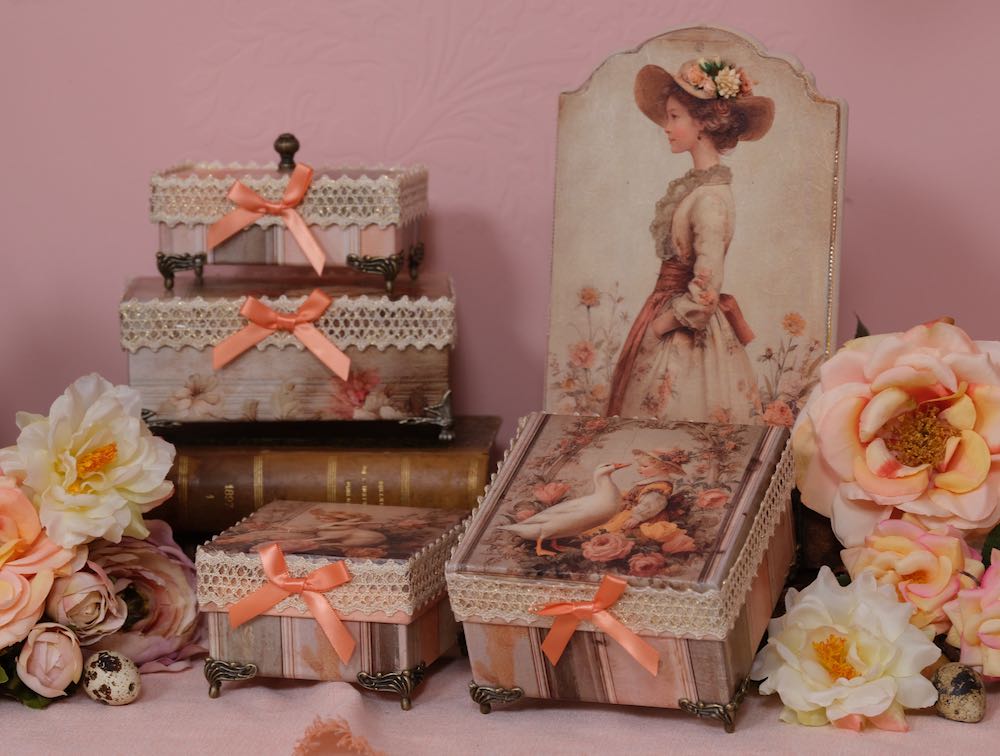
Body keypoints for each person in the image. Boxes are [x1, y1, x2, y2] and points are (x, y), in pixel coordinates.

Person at [606, 58, 774, 424]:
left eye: (674, 117)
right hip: (664, 307)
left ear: (703, 123)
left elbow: (706, 290)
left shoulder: (710, 198)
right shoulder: (698, 188)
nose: (666, 128)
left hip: (682, 328)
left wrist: (660, 326)